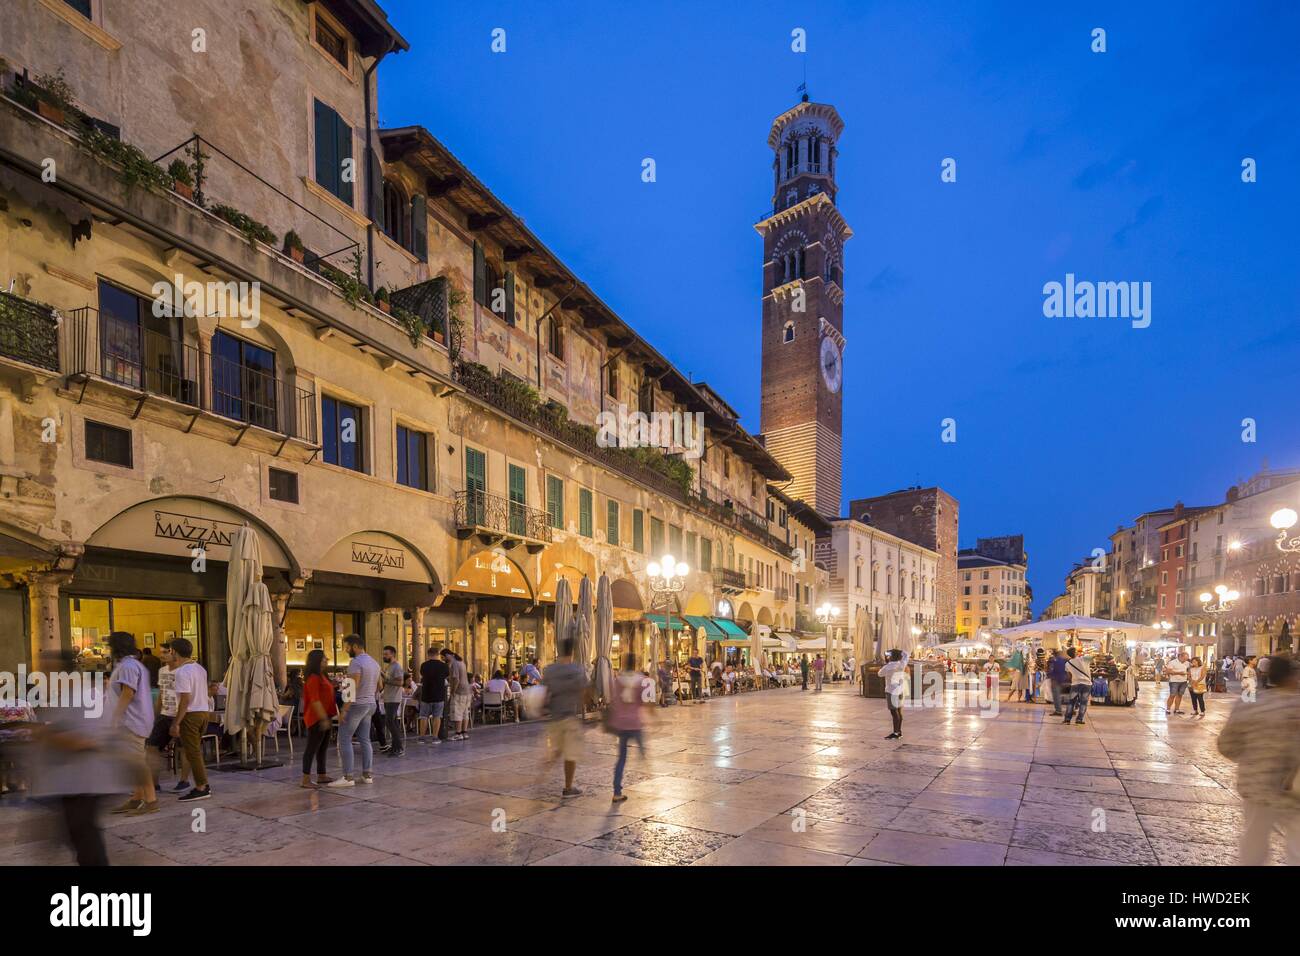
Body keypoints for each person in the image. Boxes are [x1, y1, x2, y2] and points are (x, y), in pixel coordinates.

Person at [29, 648, 133, 866]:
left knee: (84, 836)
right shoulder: (67, 695)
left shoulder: (82, 695)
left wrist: (48, 735)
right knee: (78, 832)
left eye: (47, 670)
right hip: (72, 781)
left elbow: (88, 740)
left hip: (87, 780)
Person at [1216, 656, 1300, 865]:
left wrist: (1252, 758)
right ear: (1293, 677)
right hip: (1295, 790)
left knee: (1254, 841)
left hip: (1257, 786)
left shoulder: (1250, 705)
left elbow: (1226, 745)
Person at [106, 632, 158, 816]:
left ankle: (150, 800)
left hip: (131, 721)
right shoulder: (133, 664)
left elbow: (128, 693)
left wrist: (114, 718)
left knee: (137, 763)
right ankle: (137, 798)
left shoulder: (128, 666)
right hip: (134, 720)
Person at [328, 634, 380, 787]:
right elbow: (380, 686)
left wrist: (344, 709)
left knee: (344, 738)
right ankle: (367, 774)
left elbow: (352, 686)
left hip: (357, 705)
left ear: (355, 646)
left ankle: (348, 777)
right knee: (365, 739)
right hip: (371, 703)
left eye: (347, 647)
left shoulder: (356, 663)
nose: (346, 650)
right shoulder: (374, 662)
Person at [542, 636, 591, 797]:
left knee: (557, 749)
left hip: (554, 717)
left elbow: (544, 694)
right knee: (570, 754)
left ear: (559, 650)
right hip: (570, 717)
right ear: (572, 652)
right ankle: (568, 787)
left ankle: (543, 769)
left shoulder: (549, 670)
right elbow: (585, 694)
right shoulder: (577, 670)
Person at [168, 637, 212, 802]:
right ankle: (202, 784)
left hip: (191, 715)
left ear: (174, 652)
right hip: (203, 712)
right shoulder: (200, 669)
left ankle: (202, 786)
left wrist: (176, 722)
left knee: (193, 753)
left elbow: (185, 699)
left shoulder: (181, 672)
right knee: (194, 752)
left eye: (170, 650)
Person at [146, 641, 191, 794]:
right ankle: (154, 783)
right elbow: (161, 693)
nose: (162, 655)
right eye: (162, 652)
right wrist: (156, 714)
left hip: (181, 714)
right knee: (152, 747)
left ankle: (184, 780)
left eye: (166, 652)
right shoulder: (162, 671)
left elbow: (187, 697)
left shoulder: (184, 671)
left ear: (174, 653)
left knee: (183, 748)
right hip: (165, 714)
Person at [610, 652, 652, 802]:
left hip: (621, 724)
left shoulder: (617, 680)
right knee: (643, 750)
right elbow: (645, 702)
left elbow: (613, 700)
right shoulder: (640, 680)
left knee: (621, 758)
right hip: (634, 723)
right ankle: (648, 772)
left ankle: (617, 792)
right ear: (635, 664)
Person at [300, 649, 336, 787]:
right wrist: (323, 718)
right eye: (324, 659)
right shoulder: (313, 678)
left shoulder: (322, 675)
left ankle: (322, 774)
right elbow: (315, 700)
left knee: (323, 747)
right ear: (317, 661)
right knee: (312, 747)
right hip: (317, 717)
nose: (327, 660)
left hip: (325, 715)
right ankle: (305, 779)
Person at [418, 646, 449, 743]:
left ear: (428, 654)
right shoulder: (444, 666)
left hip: (426, 694)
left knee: (423, 716)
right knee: (437, 716)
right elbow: (446, 676)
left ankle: (422, 738)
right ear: (438, 654)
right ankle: (435, 737)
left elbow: (422, 675)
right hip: (439, 694)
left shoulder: (424, 665)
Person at [379, 645, 405, 757]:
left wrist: (386, 679)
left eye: (386, 654)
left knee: (390, 722)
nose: (384, 656)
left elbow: (400, 682)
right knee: (392, 722)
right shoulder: (389, 666)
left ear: (392, 654)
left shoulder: (397, 667)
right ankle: (395, 747)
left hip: (394, 699)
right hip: (388, 697)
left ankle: (399, 748)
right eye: (384, 654)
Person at [880, 649, 910, 739]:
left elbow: (879, 674)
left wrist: (886, 661)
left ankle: (896, 733)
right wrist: (899, 651)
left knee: (894, 712)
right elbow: (906, 655)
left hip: (891, 691)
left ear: (891, 656)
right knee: (899, 712)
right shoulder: (901, 664)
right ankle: (899, 731)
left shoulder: (888, 667)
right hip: (900, 690)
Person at [1062, 645, 1092, 725]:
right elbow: (1093, 658)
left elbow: (1069, 675)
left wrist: (1075, 677)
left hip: (1075, 683)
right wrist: (1084, 653)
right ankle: (1079, 719)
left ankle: (1067, 719)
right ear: (1075, 652)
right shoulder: (1084, 659)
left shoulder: (1067, 664)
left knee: (1071, 702)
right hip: (1086, 683)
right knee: (1083, 702)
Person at [445, 649, 472, 740]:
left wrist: (453, 690)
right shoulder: (462, 662)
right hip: (467, 690)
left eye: (443, 657)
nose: (443, 659)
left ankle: (458, 733)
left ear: (448, 655)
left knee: (457, 713)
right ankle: (464, 733)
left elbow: (456, 679)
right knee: (465, 713)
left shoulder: (454, 664)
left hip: (459, 691)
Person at [1165, 650, 1190, 716]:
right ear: (1180, 657)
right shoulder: (1172, 662)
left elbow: (1190, 669)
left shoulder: (1187, 663)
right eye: (1184, 659)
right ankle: (1168, 709)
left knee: (1180, 695)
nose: (1185, 660)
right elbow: (1168, 671)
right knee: (1172, 695)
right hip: (1174, 681)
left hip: (1183, 681)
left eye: (1186, 659)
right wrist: (1179, 673)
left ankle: (1177, 709)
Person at [1047, 649, 1067, 716]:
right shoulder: (1064, 660)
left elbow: (1051, 670)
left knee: (1056, 695)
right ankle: (1071, 710)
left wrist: (1049, 675)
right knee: (1065, 695)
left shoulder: (1053, 661)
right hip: (1063, 679)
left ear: (1054, 654)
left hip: (1055, 679)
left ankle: (1058, 711)